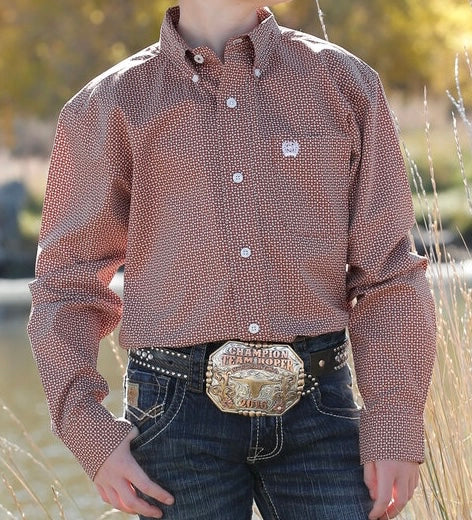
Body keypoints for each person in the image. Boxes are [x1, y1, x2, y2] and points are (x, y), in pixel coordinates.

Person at [27, 0, 437, 518]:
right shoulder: (109, 104)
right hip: (174, 420)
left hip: (321, 409)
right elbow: (66, 283)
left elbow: (389, 273)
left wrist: (395, 422)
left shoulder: (344, 84)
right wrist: (91, 433)